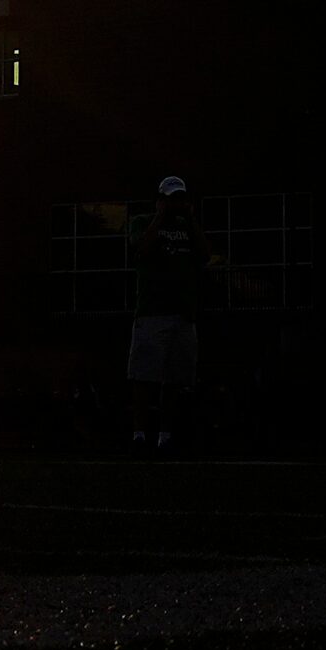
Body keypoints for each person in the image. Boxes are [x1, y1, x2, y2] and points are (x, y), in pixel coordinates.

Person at [126, 177, 213, 453]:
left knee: (175, 379)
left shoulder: (188, 227)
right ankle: (139, 434)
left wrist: (191, 220)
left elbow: (204, 255)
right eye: (172, 198)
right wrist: (160, 217)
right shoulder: (142, 222)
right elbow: (140, 251)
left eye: (180, 198)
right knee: (144, 377)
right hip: (153, 312)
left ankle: (165, 435)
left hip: (183, 314)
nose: (177, 203)